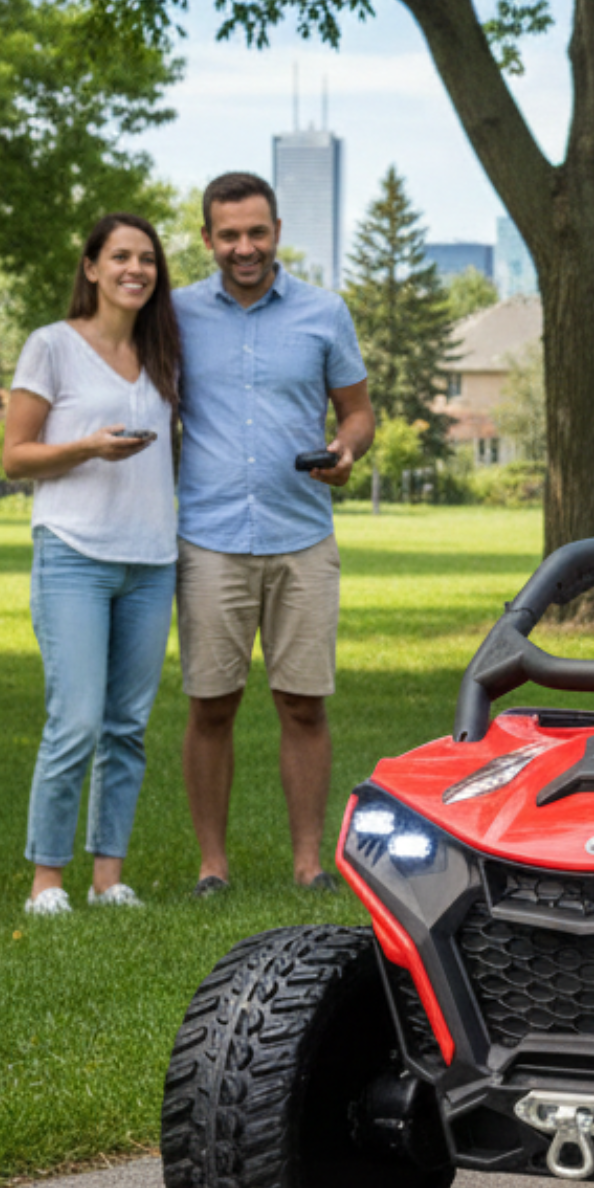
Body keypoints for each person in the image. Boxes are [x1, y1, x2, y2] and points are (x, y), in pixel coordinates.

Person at [173, 171, 375, 895]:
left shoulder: (324, 313)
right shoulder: (175, 314)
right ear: (207, 239)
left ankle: (309, 863)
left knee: (302, 701)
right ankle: (212, 866)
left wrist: (348, 449)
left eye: (256, 232)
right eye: (228, 235)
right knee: (211, 703)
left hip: (302, 537)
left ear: (278, 231)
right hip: (209, 538)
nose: (244, 247)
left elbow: (357, 412)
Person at [3, 213, 182, 917]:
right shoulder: (51, 346)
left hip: (151, 560)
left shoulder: (163, 354)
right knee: (75, 721)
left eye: (146, 259)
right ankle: (47, 882)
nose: (135, 269)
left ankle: (109, 878)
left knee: (126, 727)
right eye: (120, 257)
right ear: (91, 268)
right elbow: (15, 457)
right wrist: (88, 447)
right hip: (74, 553)